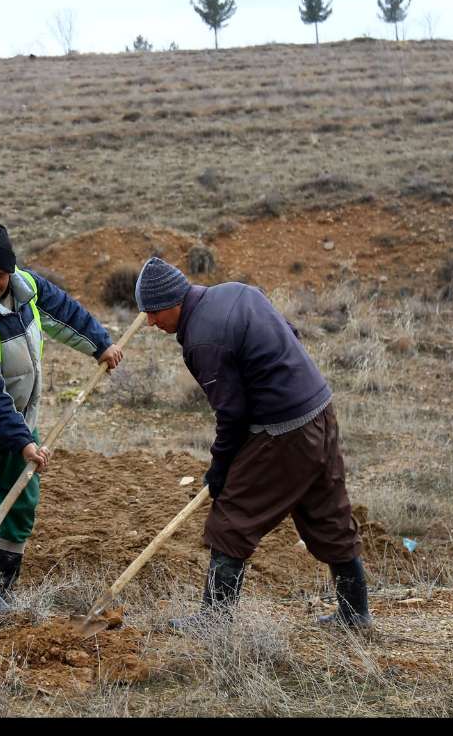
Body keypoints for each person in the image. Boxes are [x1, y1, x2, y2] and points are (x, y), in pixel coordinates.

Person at [133, 256, 371, 630]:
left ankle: (214, 622)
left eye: (153, 313)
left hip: (285, 430)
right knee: (328, 512)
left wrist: (220, 470)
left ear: (174, 303)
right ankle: (355, 614)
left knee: (231, 519)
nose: (150, 322)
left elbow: (232, 415)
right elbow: (290, 331)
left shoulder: (202, 340)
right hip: (320, 409)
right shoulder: (236, 291)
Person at [0, 222, 124, 616]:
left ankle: (4, 590)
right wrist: (23, 442)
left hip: (20, 413)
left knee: (22, 498)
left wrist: (101, 346)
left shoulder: (28, 289)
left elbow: (68, 315)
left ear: (11, 272)